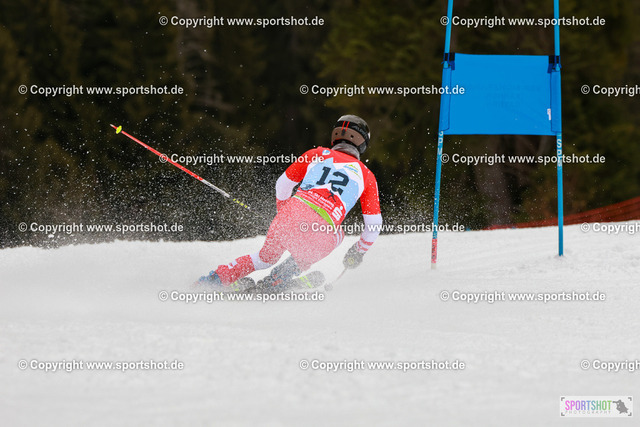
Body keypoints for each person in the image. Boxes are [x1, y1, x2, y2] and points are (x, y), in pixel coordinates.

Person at [198, 114, 383, 289]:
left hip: (291, 214)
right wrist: (358, 251)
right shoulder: (367, 176)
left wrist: (283, 213)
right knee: (339, 234)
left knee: (264, 259)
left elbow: (282, 185)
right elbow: (374, 225)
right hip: (322, 231)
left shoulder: (316, 154)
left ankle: (215, 279)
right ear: (362, 144)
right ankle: (279, 278)